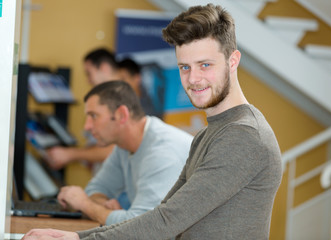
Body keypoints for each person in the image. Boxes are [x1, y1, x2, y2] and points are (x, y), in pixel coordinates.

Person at [22, 4, 282, 239]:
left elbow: (168, 220)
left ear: (232, 61)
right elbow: (162, 212)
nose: (193, 79)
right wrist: (77, 237)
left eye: (205, 65)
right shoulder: (209, 134)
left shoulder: (244, 136)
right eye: (185, 67)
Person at [57, 80, 192, 226]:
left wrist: (85, 205)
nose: (87, 126)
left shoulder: (163, 153)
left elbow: (142, 227)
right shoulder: (123, 146)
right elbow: (96, 188)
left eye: (94, 116)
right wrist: (102, 205)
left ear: (122, 115)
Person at [45, 49, 160, 170]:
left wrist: (70, 154)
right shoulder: (103, 98)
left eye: (89, 73)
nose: (88, 80)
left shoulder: (127, 100)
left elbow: (115, 150)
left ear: (104, 68)